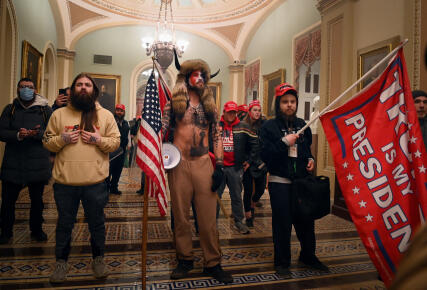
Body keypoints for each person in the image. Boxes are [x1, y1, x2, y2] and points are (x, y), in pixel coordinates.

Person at [161, 55, 233, 283]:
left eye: (203, 74)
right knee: (180, 216)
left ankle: (212, 262)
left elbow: (217, 135)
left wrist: (219, 165)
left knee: (208, 218)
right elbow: (160, 130)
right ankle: (185, 259)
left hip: (204, 164)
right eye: (196, 74)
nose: (200, 78)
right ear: (186, 77)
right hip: (179, 164)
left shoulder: (210, 105)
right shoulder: (173, 103)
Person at [43, 73, 120, 283]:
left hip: (95, 183)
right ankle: (61, 263)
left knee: (97, 224)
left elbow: (115, 143)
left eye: (87, 85)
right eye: (79, 85)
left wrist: (98, 140)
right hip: (65, 184)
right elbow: (47, 142)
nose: (83, 88)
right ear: (72, 89)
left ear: (94, 90)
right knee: (64, 224)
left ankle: (99, 260)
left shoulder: (106, 116)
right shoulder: (58, 115)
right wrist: (62, 139)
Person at [259, 83, 328, 278]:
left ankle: (308, 256)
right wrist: (283, 143)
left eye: (292, 101)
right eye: (285, 102)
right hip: (279, 182)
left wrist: (311, 160)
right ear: (278, 104)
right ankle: (282, 262)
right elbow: (265, 155)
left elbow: (306, 150)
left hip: (302, 183)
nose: (289, 105)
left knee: (307, 221)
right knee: (282, 223)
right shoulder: (268, 127)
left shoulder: (302, 125)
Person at [0, 78, 52, 244]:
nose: (26, 90)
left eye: (29, 87)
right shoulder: (11, 109)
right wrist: (17, 135)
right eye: (23, 87)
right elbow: (1, 132)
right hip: (13, 163)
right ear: (17, 89)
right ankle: (6, 231)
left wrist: (36, 134)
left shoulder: (45, 110)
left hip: (38, 163)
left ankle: (36, 230)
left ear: (35, 90)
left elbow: (52, 133)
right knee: (8, 201)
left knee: (37, 201)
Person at [217, 101, 256, 234]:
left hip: (236, 167)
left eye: (234, 112)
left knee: (237, 196)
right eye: (229, 112)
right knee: (215, 196)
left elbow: (255, 144)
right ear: (224, 112)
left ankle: (239, 222)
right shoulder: (216, 126)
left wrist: (249, 160)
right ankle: (212, 223)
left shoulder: (244, 126)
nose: (231, 115)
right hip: (219, 168)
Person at [242, 100, 267, 228]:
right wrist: (245, 161)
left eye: (259, 110)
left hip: (260, 162)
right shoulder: (244, 125)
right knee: (247, 190)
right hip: (247, 162)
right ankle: (249, 215)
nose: (257, 113)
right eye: (255, 110)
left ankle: (253, 203)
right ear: (249, 111)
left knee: (260, 189)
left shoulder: (264, 125)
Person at [107, 104, 130, 195]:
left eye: (121, 111)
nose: (119, 112)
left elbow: (128, 135)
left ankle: (114, 188)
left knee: (118, 171)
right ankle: (106, 189)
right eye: (117, 110)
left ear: (124, 112)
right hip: (112, 151)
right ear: (115, 111)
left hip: (122, 151)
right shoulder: (110, 121)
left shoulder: (126, 123)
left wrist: (128, 146)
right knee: (109, 171)